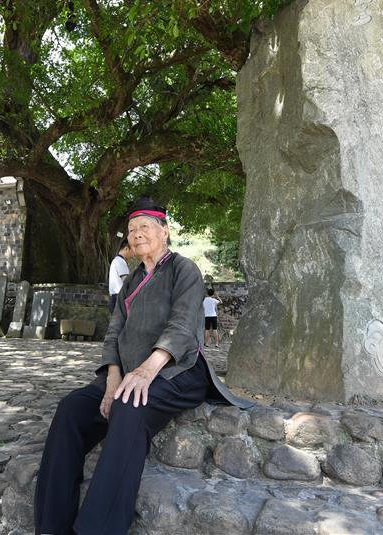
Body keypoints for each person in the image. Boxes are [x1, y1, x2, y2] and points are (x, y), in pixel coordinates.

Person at [34, 197, 253, 535]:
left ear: (164, 231)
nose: (136, 235)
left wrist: (147, 371)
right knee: (71, 410)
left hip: (176, 371)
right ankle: (51, 525)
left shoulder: (184, 269)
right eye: (131, 230)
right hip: (129, 373)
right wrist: (113, 378)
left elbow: (181, 327)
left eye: (144, 227)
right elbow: (113, 335)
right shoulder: (129, 282)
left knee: (129, 406)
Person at [107, 239, 134, 313]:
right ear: (126, 249)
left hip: (115, 298)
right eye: (132, 251)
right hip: (118, 298)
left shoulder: (116, 260)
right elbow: (126, 281)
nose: (133, 255)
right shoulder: (120, 261)